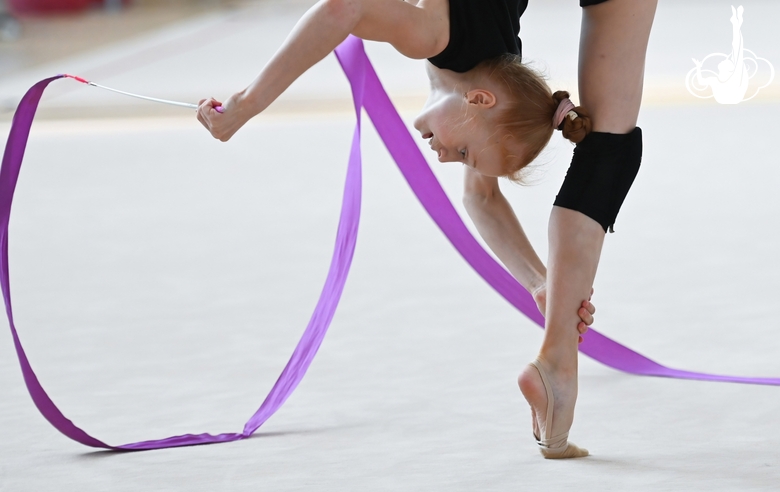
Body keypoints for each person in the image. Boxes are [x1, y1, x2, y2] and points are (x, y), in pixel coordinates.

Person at [197, 0, 653, 459]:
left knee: (610, 148)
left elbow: (482, 197)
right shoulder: (435, 36)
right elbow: (342, 8)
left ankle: (557, 366)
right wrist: (245, 104)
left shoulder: (494, 68)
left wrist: (542, 284)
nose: (445, 158)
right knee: (608, 147)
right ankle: (556, 367)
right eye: (466, 154)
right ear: (479, 100)